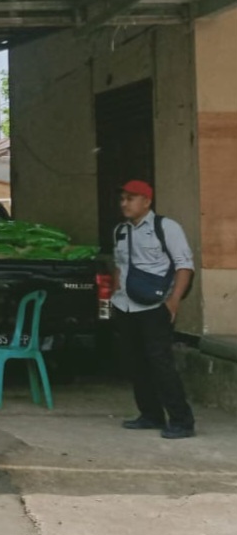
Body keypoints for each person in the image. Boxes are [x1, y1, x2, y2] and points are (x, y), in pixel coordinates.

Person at [112, 180, 196, 439]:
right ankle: (150, 415)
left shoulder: (166, 227)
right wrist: (114, 297)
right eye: (123, 198)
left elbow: (185, 266)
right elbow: (119, 266)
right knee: (136, 363)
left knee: (161, 364)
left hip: (154, 306)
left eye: (131, 198)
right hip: (125, 305)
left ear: (147, 201)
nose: (125, 203)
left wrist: (173, 302)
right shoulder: (120, 231)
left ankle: (182, 421)